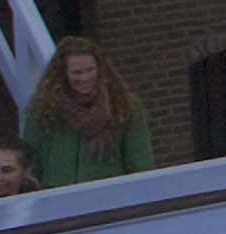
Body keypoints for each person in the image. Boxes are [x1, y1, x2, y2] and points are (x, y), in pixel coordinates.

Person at [23, 36, 154, 186]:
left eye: (90, 70)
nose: (85, 78)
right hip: (57, 197)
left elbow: (140, 161)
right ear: (62, 74)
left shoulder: (125, 105)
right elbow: (30, 161)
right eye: (77, 73)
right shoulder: (43, 108)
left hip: (112, 195)